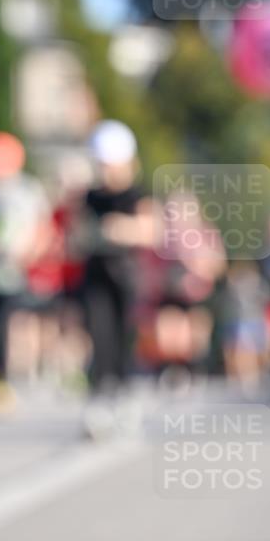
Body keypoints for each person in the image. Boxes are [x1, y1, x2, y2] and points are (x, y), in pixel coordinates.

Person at [80, 120, 158, 435]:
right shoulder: (90, 196)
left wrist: (119, 229)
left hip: (127, 276)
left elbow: (151, 231)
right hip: (96, 274)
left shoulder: (136, 194)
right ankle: (99, 399)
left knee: (125, 339)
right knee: (99, 337)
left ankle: (126, 398)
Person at [0, 131, 50, 414]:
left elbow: (42, 228)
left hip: (17, 270)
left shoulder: (28, 190)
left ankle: (15, 374)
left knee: (13, 322)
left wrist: (28, 254)